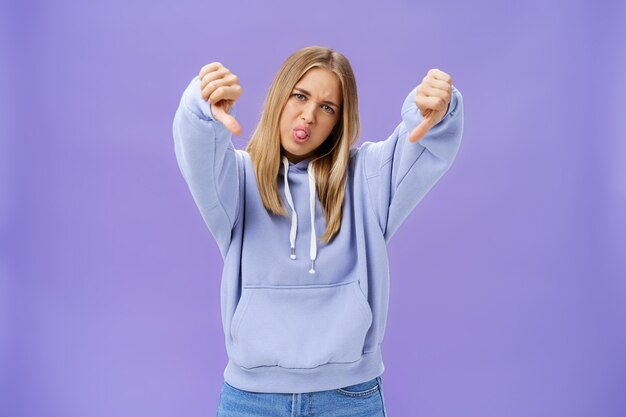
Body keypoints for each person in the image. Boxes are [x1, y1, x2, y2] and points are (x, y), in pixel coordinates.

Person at [172, 45, 464, 416]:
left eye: (328, 107)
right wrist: (200, 109)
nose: (308, 115)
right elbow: (197, 153)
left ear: (339, 121)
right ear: (280, 95)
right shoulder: (237, 180)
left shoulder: (366, 178)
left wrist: (438, 110)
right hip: (251, 400)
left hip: (348, 398)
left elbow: (423, 142)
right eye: (300, 95)